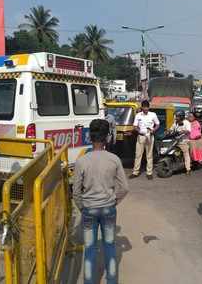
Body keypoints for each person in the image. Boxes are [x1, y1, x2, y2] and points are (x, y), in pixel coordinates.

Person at [73, 119, 129, 284]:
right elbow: (124, 187)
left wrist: (82, 206)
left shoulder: (82, 160)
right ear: (107, 138)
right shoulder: (114, 159)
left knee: (89, 249)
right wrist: (113, 201)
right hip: (108, 209)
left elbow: (76, 191)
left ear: (90, 137)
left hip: (89, 209)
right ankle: (112, 281)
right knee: (110, 247)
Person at [130, 100, 159, 180]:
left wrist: (153, 130)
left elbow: (157, 124)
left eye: (147, 107)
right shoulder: (138, 115)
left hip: (150, 136)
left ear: (149, 107)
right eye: (144, 107)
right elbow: (135, 126)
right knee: (138, 155)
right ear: (142, 107)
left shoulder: (153, 115)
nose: (146, 109)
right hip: (141, 136)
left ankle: (149, 173)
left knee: (149, 155)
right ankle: (135, 172)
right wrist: (139, 131)